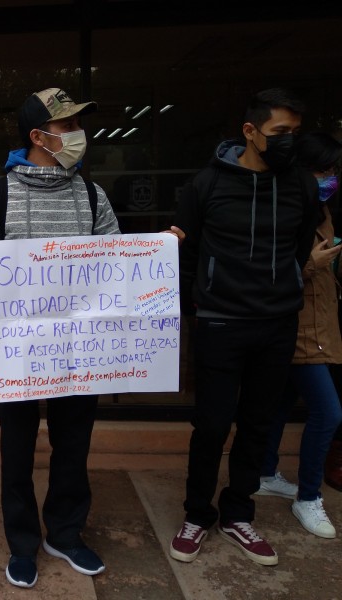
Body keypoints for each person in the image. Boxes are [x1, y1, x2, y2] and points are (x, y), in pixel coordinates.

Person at [0, 87, 120, 588]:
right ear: (38, 136)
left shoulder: (93, 195)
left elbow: (118, 267)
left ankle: (66, 534)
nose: (78, 135)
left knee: (74, 444)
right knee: (17, 450)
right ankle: (23, 542)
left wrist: (156, 252)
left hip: (79, 351)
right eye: (68, 126)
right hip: (18, 356)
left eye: (77, 125)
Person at [169, 88, 317, 567]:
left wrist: (281, 293)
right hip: (219, 324)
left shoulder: (301, 186)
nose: (289, 142)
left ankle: (238, 513)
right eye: (280, 133)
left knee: (257, 423)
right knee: (211, 425)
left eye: (295, 133)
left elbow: (298, 249)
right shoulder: (206, 185)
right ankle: (197, 514)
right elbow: (187, 256)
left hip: (276, 324)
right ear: (250, 132)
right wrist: (200, 307)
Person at [255, 132, 342, 538]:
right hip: (300, 327)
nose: (330, 178)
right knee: (328, 412)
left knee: (282, 403)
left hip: (316, 323)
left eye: (332, 171)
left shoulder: (320, 207)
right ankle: (309, 497)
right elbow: (269, 270)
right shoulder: (287, 208)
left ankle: (265, 471)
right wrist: (311, 262)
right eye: (322, 170)